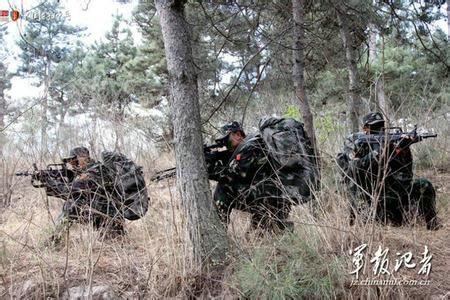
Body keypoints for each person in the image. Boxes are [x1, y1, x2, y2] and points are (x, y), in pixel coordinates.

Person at [337, 112, 440, 230]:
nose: (379, 130)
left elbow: (405, 178)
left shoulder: (392, 144)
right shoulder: (356, 143)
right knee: (377, 221)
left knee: (424, 185)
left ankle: (432, 226)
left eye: (381, 126)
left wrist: (402, 151)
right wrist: (378, 154)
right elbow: (352, 169)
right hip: (369, 196)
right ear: (365, 128)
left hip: (391, 193)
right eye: (375, 127)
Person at [209, 121, 293, 233]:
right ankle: (281, 230)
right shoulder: (242, 150)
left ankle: (219, 233)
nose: (225, 143)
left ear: (239, 134)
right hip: (268, 199)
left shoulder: (250, 148)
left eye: (228, 138)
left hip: (269, 199)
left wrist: (210, 170)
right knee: (258, 236)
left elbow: (235, 174)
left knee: (223, 188)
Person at [45, 146, 125, 245]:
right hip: (106, 215)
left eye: (74, 160)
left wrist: (51, 183)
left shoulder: (93, 172)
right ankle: (111, 235)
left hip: (109, 217)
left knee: (71, 206)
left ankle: (54, 241)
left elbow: (69, 191)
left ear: (83, 157)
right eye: (70, 161)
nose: (72, 164)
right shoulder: (96, 169)